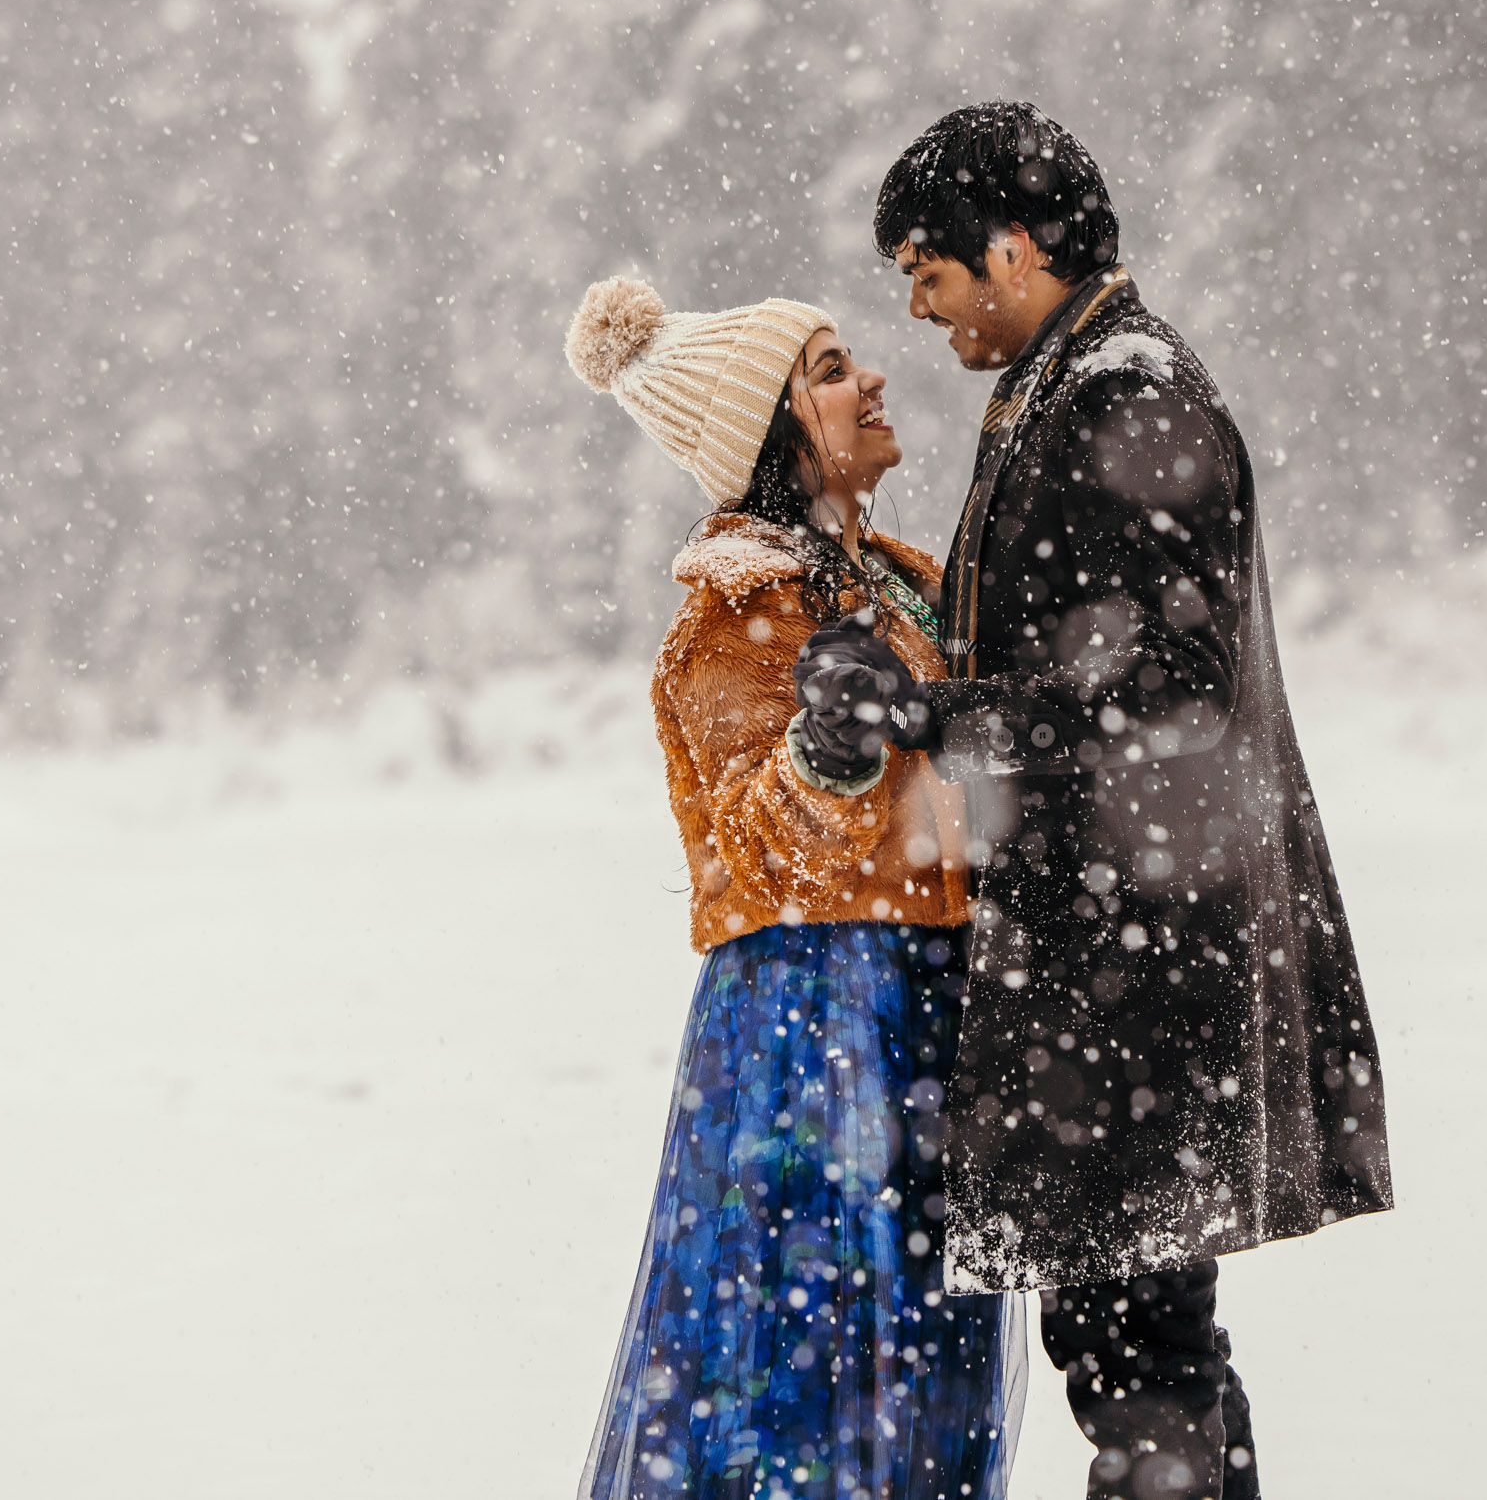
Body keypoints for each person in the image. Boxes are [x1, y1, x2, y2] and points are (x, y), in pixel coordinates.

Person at [793, 104, 1395, 1500]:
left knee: (1140, 1344)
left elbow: (1172, 687)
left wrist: (939, 719)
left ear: (1010, 247)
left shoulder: (1129, 394)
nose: (920, 309)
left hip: (1145, 956)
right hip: (1112, 945)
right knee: (1125, 1334)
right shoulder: (1066, 382)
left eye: (927, 274)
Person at [565, 275, 1026, 1500]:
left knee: (915, 1380)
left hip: (925, 1014)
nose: (868, 375)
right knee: (808, 1381)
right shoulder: (733, 620)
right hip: (813, 1035)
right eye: (827, 369)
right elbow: (750, 857)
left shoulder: (905, 579)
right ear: (768, 438)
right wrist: (823, 753)